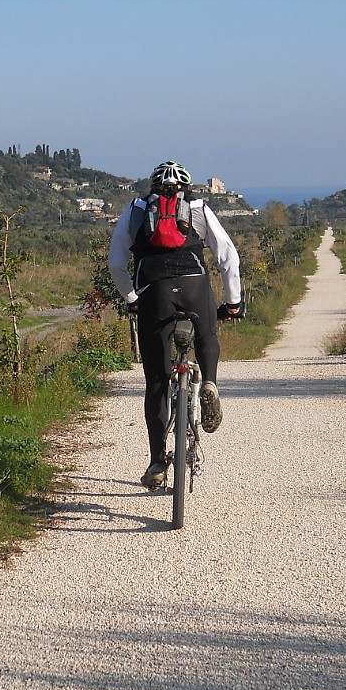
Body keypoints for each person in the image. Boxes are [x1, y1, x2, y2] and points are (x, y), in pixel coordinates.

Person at [108, 160, 245, 490]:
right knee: (207, 333)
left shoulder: (138, 208)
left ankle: (157, 462)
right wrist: (233, 301)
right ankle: (209, 382)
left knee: (156, 381)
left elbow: (115, 260)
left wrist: (131, 297)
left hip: (154, 292)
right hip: (195, 286)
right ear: (185, 186)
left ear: (153, 186)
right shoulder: (197, 206)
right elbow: (228, 255)